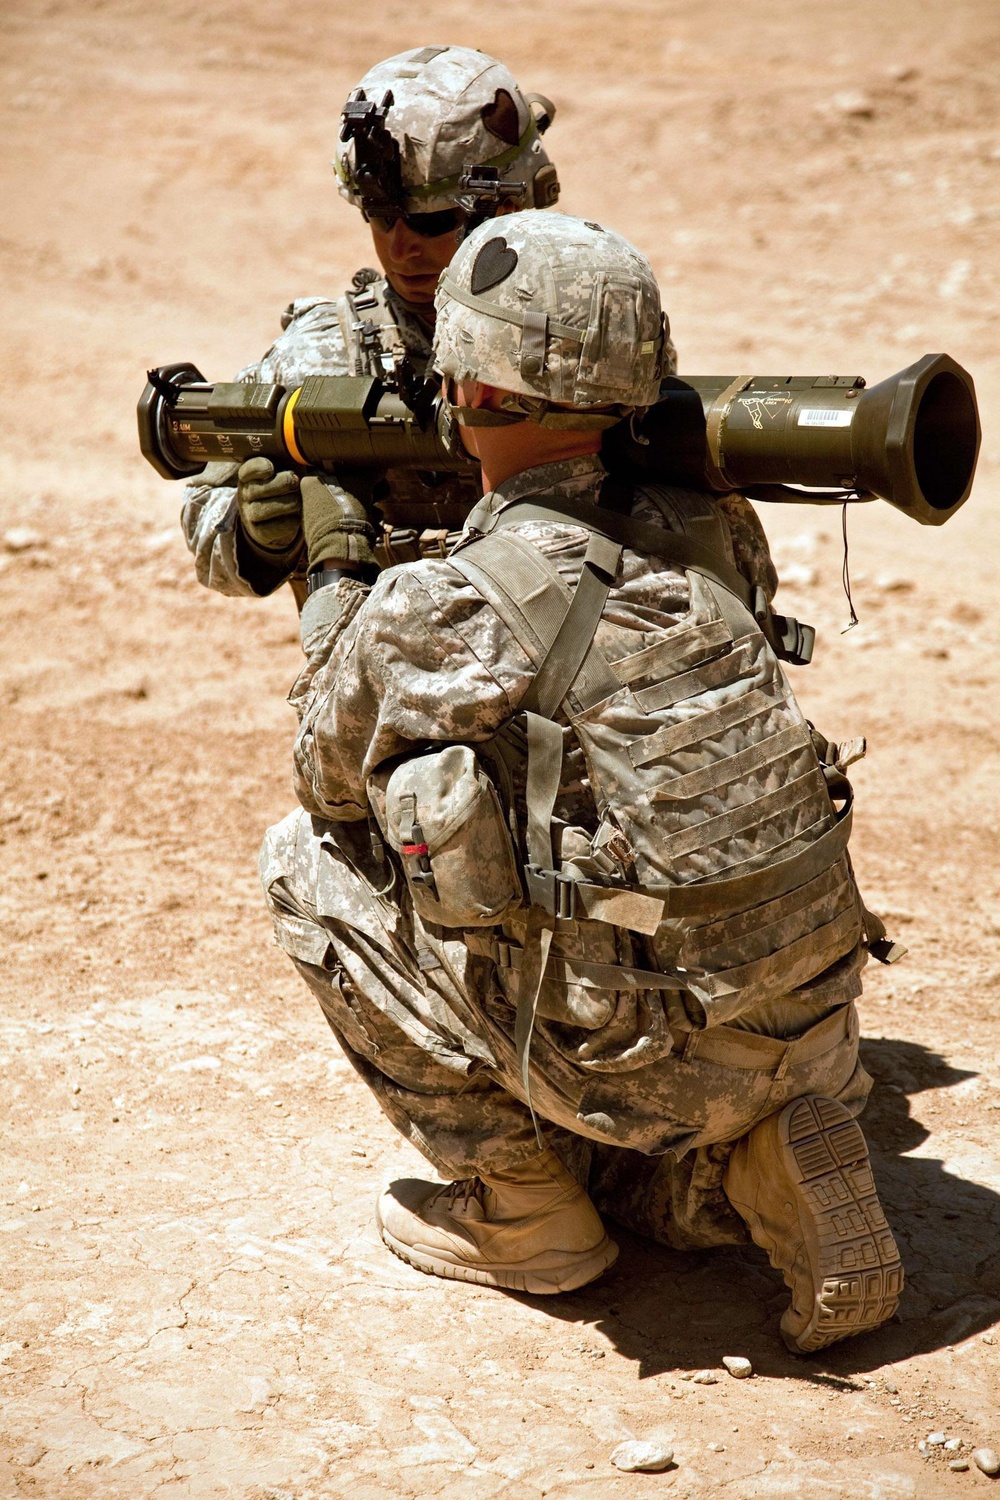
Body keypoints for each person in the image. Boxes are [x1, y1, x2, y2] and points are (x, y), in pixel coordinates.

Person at [259, 210, 903, 1354]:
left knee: (307, 864)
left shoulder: (441, 608)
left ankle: (522, 1211)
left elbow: (325, 773)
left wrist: (336, 567)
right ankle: (728, 1171)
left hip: (635, 1063)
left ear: (469, 387)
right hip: (802, 1028)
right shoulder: (713, 526)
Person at [180, 45, 565, 607]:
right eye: (379, 218)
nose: (400, 247)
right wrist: (256, 533)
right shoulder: (322, 353)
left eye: (432, 222)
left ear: (510, 206)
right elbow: (204, 516)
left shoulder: (581, 326)